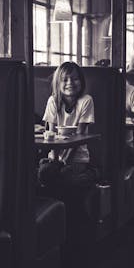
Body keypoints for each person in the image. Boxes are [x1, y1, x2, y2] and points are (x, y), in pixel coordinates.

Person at [38, 61, 98, 195]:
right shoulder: (53, 101)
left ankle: (90, 174)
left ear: (81, 81)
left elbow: (79, 135)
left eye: (75, 79)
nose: (70, 83)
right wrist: (55, 160)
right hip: (55, 157)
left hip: (78, 157)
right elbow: (51, 133)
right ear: (57, 84)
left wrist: (64, 162)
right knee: (46, 173)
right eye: (64, 80)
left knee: (64, 175)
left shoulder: (86, 100)